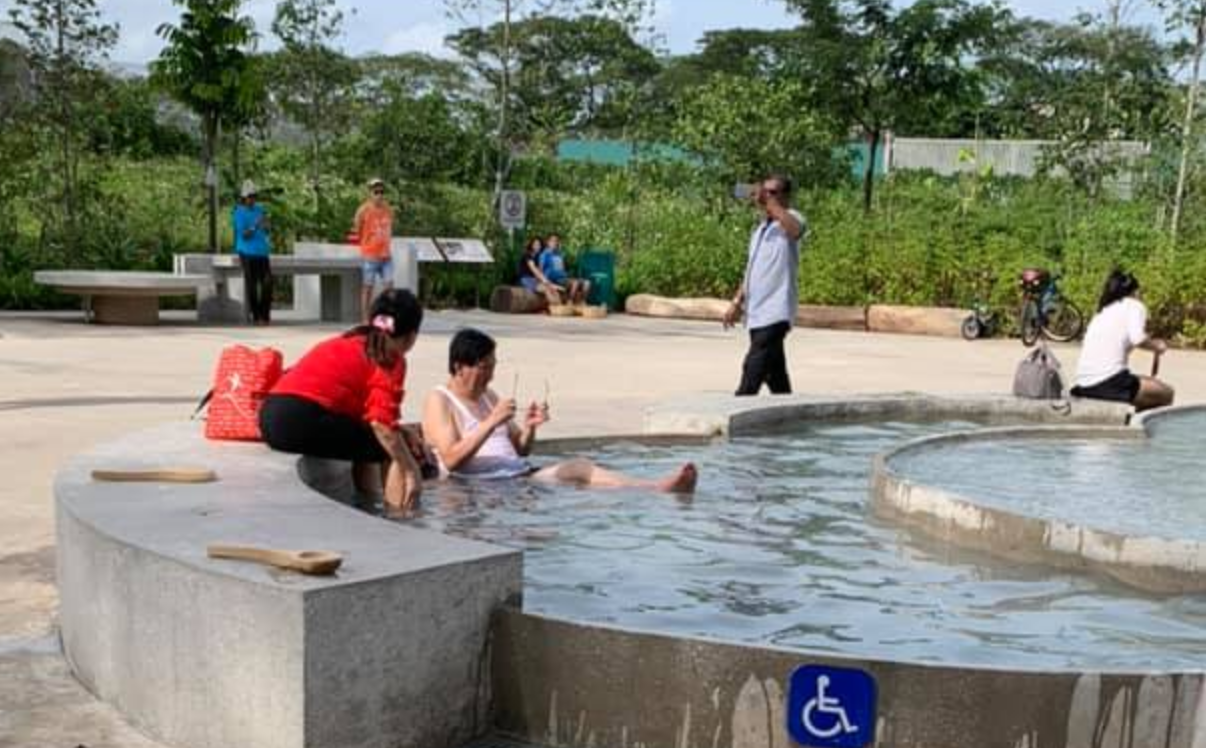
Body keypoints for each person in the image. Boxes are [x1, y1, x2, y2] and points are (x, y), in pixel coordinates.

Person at [421, 328, 697, 492]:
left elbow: (520, 449)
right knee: (578, 484)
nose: (491, 376)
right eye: (485, 368)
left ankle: (651, 488)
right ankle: (654, 490)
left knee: (581, 470)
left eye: (494, 367)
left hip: (517, 474)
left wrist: (529, 428)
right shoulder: (440, 401)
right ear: (459, 367)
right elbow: (451, 458)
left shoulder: (488, 396)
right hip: (485, 487)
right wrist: (491, 422)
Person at [260, 289, 427, 511]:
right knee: (392, 448)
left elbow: (370, 419)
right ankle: (398, 516)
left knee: (372, 440)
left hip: (270, 415)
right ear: (411, 335)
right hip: (299, 420)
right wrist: (410, 469)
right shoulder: (389, 357)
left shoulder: (348, 340)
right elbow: (382, 425)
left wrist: (401, 430)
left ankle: (367, 506)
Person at [722, 174, 806, 396]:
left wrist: (771, 205)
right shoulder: (760, 230)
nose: (766, 196)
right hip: (756, 313)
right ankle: (789, 415)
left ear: (785, 196)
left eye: (772, 192)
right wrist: (737, 302)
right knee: (775, 375)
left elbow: (796, 230)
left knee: (753, 369)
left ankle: (732, 416)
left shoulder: (791, 220)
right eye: (764, 191)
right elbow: (752, 270)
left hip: (776, 312)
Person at [1070, 269, 1174, 411]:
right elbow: (1137, 338)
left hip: (1083, 384)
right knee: (1167, 393)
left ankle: (1135, 423)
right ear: (1134, 292)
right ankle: (1139, 428)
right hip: (1108, 382)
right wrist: (1157, 346)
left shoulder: (1104, 310)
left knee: (1148, 385)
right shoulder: (1134, 306)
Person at [352, 178, 395, 322]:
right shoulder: (363, 210)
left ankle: (386, 316)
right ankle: (365, 319)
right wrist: (365, 245)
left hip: (386, 255)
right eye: (376, 192)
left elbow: (390, 227)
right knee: (368, 288)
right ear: (370, 193)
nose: (379, 195)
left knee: (389, 287)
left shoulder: (388, 209)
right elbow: (357, 228)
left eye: (382, 192)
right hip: (370, 255)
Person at [232, 179, 272, 325]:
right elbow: (244, 235)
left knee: (268, 283)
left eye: (254, 196)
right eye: (250, 197)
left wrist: (267, 224)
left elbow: (267, 230)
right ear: (244, 197)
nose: (253, 199)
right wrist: (256, 225)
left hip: (262, 252)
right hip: (247, 252)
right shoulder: (239, 213)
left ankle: (265, 315)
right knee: (252, 285)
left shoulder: (260, 209)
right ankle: (256, 316)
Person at [540, 234, 590, 305]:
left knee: (587, 283)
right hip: (554, 280)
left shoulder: (559, 254)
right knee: (575, 283)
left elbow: (563, 269)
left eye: (557, 241)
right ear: (548, 242)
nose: (555, 243)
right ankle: (569, 302)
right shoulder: (544, 254)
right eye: (553, 241)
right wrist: (545, 282)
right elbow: (540, 270)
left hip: (564, 279)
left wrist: (566, 274)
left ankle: (582, 302)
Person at [517, 236, 562, 305]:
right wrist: (545, 280)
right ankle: (555, 307)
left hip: (535, 279)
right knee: (547, 290)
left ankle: (560, 306)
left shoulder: (537, 257)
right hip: (526, 279)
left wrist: (547, 282)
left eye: (539, 245)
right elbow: (534, 270)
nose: (537, 246)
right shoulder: (528, 255)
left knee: (553, 289)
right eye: (535, 244)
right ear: (531, 245)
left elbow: (540, 271)